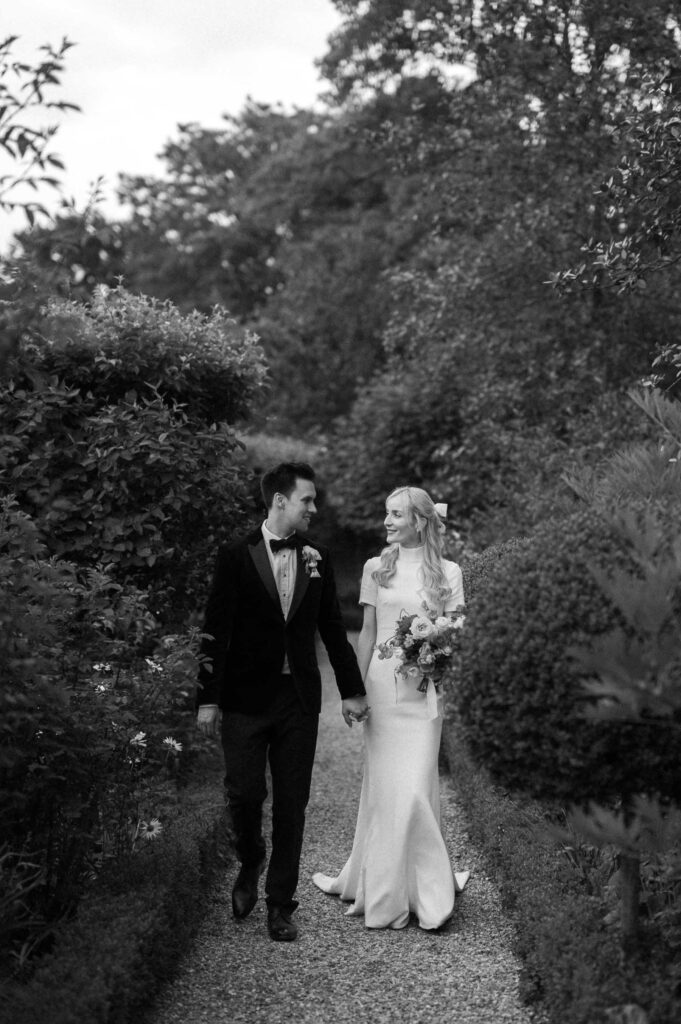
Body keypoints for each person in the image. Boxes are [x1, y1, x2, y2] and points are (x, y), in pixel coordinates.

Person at [196, 462, 369, 942]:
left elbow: (332, 628)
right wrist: (207, 699)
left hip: (298, 700)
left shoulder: (319, 557)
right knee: (245, 794)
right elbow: (216, 629)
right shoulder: (235, 555)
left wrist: (353, 690)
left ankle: (280, 905)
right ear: (280, 501)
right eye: (307, 500)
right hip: (245, 698)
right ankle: (250, 857)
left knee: (293, 803)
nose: (314, 508)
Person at [313, 485, 469, 930]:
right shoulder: (375, 567)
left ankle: (428, 892)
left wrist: (436, 649)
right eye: (387, 513)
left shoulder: (450, 572)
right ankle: (383, 888)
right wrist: (353, 689)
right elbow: (366, 633)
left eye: (396, 514)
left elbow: (457, 630)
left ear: (419, 520)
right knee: (385, 789)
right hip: (382, 689)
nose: (387, 521)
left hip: (422, 691)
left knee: (418, 786)